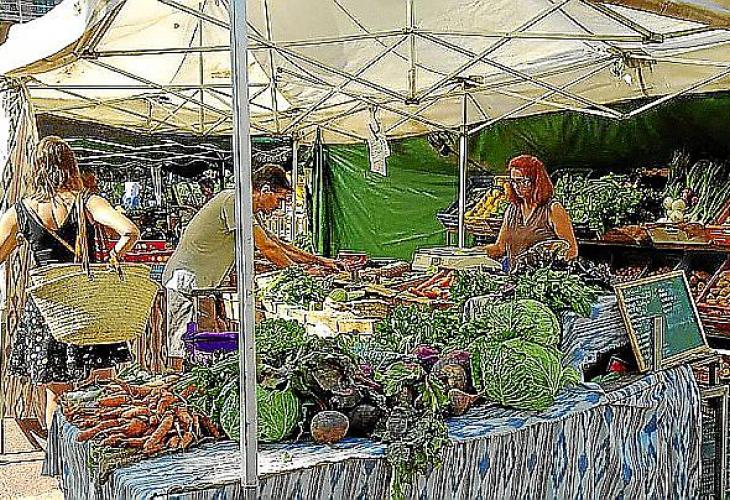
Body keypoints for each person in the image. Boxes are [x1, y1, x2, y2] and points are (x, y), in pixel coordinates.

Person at [0, 136, 140, 433]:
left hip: (48, 308)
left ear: (36, 169)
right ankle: (97, 448)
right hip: (87, 303)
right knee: (102, 387)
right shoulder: (88, 201)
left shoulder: (20, 211)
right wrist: (113, 257)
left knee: (56, 395)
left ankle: (58, 456)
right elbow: (129, 231)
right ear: (71, 166)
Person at [163, 164, 337, 369]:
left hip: (202, 286)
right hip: (185, 283)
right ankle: (173, 383)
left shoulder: (245, 207)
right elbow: (267, 248)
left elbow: (276, 243)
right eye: (279, 199)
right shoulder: (234, 201)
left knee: (203, 346)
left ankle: (191, 382)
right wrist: (301, 277)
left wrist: (320, 261)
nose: (279, 207)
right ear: (264, 190)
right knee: (180, 347)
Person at [480, 155, 578, 268]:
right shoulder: (512, 209)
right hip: (515, 276)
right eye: (513, 182)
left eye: (521, 181)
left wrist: (555, 264)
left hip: (541, 277)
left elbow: (572, 250)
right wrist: (473, 253)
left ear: (536, 181)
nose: (516, 187)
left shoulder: (553, 209)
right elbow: (500, 248)